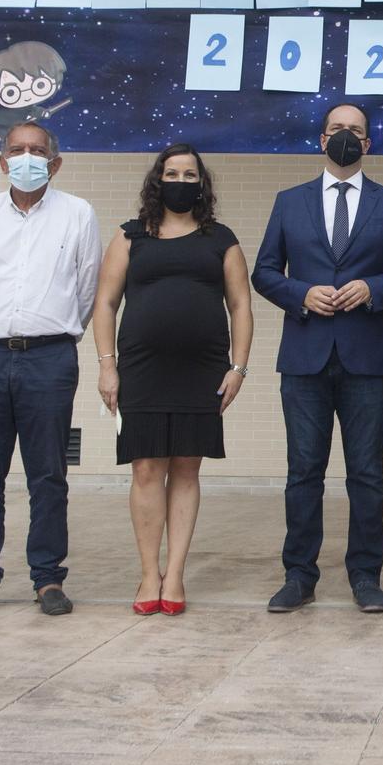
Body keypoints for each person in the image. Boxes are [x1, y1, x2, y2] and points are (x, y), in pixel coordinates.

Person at [252, 102, 383, 615]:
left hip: (368, 358)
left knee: (366, 472)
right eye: (336, 130)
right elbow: (263, 271)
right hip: (304, 356)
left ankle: (366, 575)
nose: (345, 137)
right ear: (320, 140)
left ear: (368, 145)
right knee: (303, 470)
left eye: (356, 132)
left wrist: (373, 287)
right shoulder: (289, 202)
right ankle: (299, 575)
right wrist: (300, 293)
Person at [0, 122, 99, 620]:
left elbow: (86, 287)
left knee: (48, 474)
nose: (26, 157)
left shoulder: (77, 214)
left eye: (37, 151)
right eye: (17, 150)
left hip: (49, 357)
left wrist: (51, 332)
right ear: (2, 160)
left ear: (54, 162)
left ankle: (48, 578)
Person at [93, 144, 253, 615]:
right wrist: (107, 363)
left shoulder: (220, 238)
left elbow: (241, 305)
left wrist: (238, 367)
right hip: (140, 370)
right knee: (146, 468)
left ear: (201, 184)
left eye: (189, 175)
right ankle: (148, 575)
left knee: (186, 467)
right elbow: (105, 303)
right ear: (156, 179)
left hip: (201, 371)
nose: (179, 181)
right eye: (172, 173)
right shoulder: (129, 236)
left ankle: (176, 574)